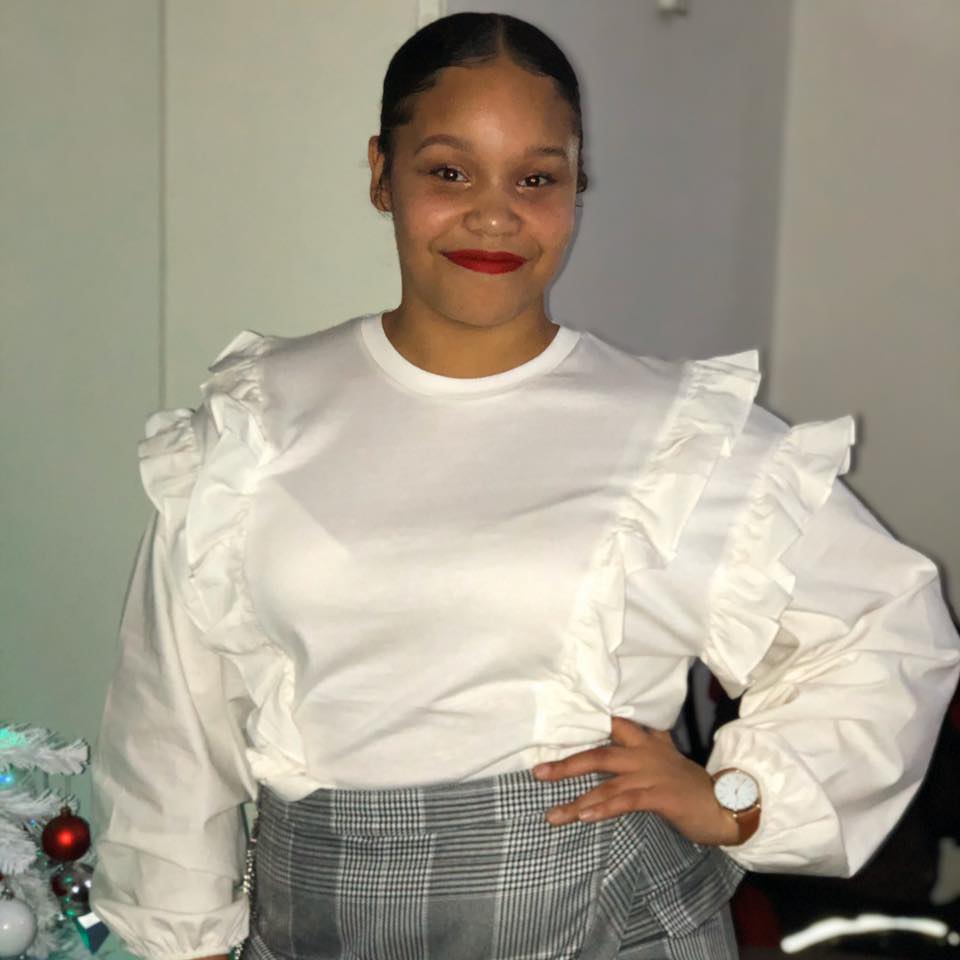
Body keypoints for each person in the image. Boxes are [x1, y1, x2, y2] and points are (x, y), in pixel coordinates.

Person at [89, 11, 960, 960]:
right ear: (381, 172)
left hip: (615, 932)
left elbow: (887, 625)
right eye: (449, 172)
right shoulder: (256, 422)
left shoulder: (680, 435)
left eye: (536, 178)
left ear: (577, 186)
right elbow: (172, 725)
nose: (495, 215)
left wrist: (737, 798)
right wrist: (181, 939)